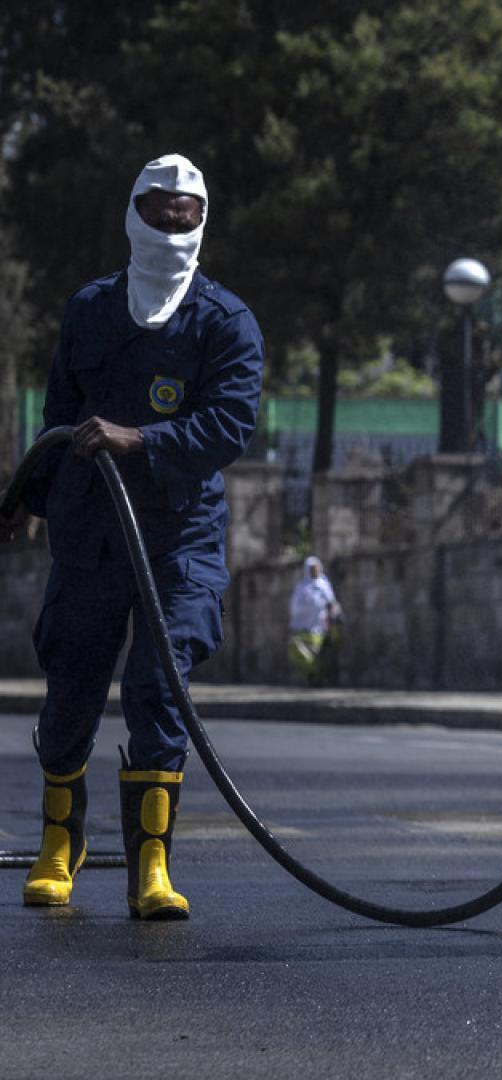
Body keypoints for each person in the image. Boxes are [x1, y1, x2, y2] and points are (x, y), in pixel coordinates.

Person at [6, 155, 263, 917]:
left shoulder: (226, 320)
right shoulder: (90, 309)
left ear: (203, 217)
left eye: (187, 211)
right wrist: (26, 493)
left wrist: (140, 440)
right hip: (92, 533)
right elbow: (56, 413)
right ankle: (61, 844)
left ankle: (151, 866)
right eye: (159, 209)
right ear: (132, 213)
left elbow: (230, 424)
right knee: (72, 687)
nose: (173, 223)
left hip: (178, 540)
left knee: (159, 688)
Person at [287, 556, 343, 687]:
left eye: (317, 568)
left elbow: (331, 603)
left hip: (320, 627)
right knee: (298, 652)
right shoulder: (301, 587)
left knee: (318, 655)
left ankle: (317, 676)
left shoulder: (324, 585)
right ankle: (312, 674)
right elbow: (294, 607)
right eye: (312, 568)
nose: (315, 571)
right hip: (302, 628)